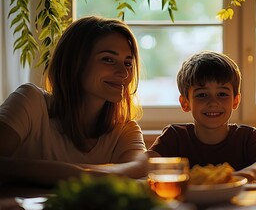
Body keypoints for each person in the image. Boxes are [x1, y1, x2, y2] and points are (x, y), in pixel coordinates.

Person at [0, 16, 150, 186]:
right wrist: (83, 174)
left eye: (128, 63)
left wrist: (21, 171)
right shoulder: (30, 102)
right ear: (74, 62)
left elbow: (139, 168)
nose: (124, 73)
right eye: (108, 59)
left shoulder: (125, 129)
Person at [147, 51, 256, 182]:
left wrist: (248, 173)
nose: (213, 102)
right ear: (185, 103)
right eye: (202, 95)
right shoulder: (175, 136)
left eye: (222, 94)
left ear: (235, 101)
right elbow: (146, 163)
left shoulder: (247, 137)